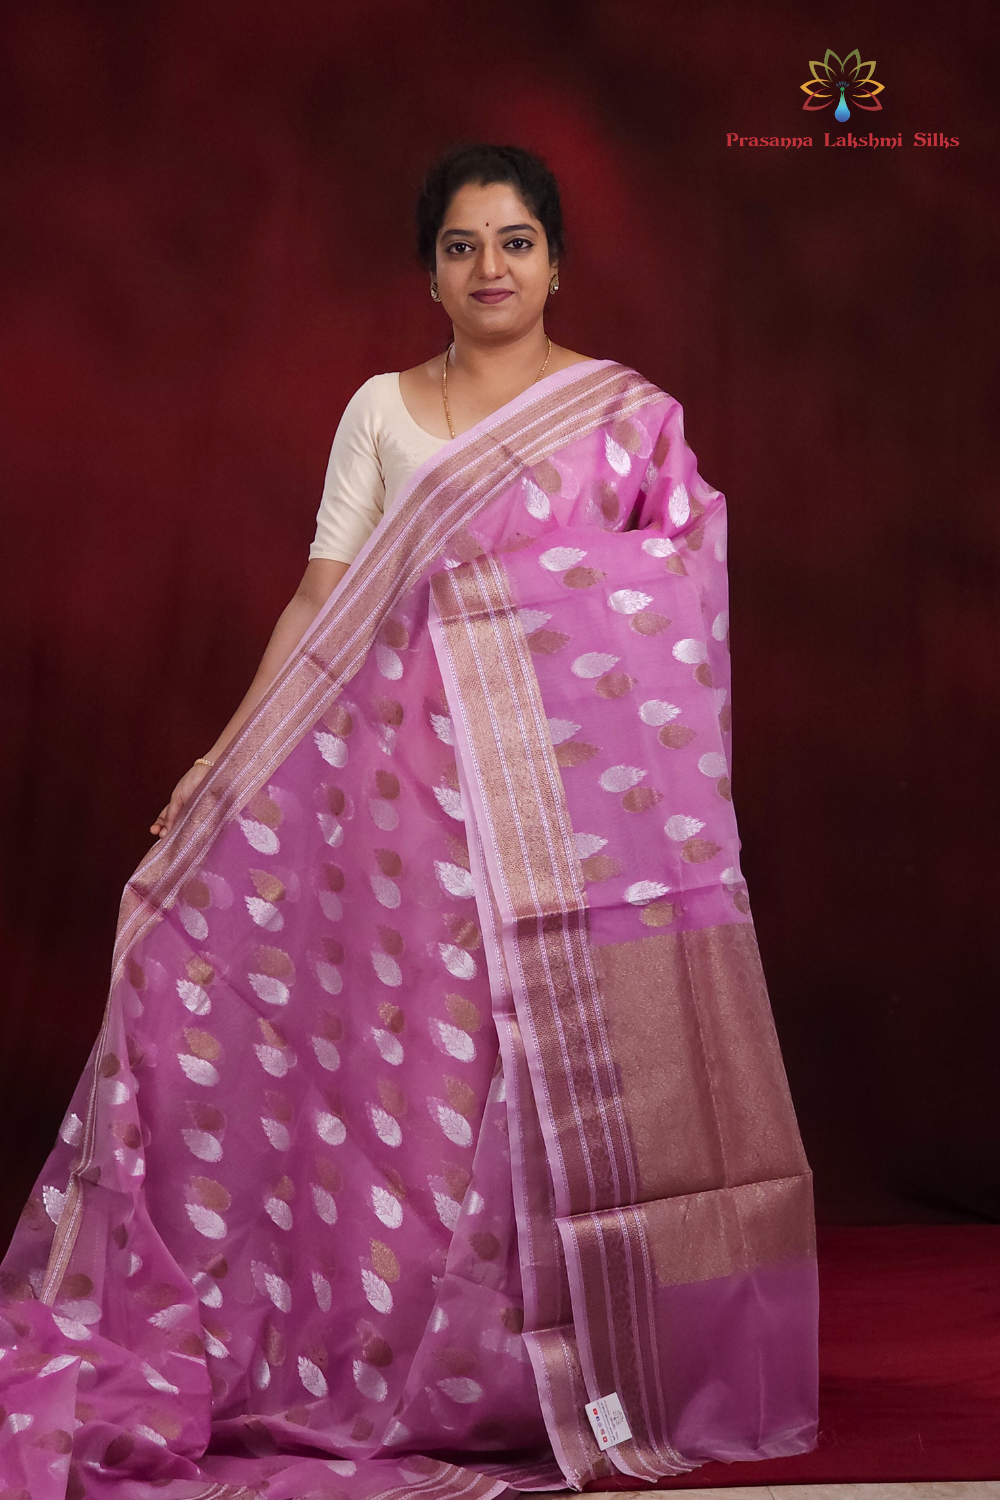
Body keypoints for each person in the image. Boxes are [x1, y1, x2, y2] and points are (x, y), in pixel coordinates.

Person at [0, 144, 818, 1500]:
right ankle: (400, 1360)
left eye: (515, 241)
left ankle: (565, 1364)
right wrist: (223, 755)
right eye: (460, 245)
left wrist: (516, 613)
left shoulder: (626, 421)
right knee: (413, 1089)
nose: (490, 267)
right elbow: (322, 598)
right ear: (430, 273)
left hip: (564, 834)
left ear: (557, 264)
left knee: (538, 1083)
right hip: (393, 826)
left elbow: (675, 592)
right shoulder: (382, 408)